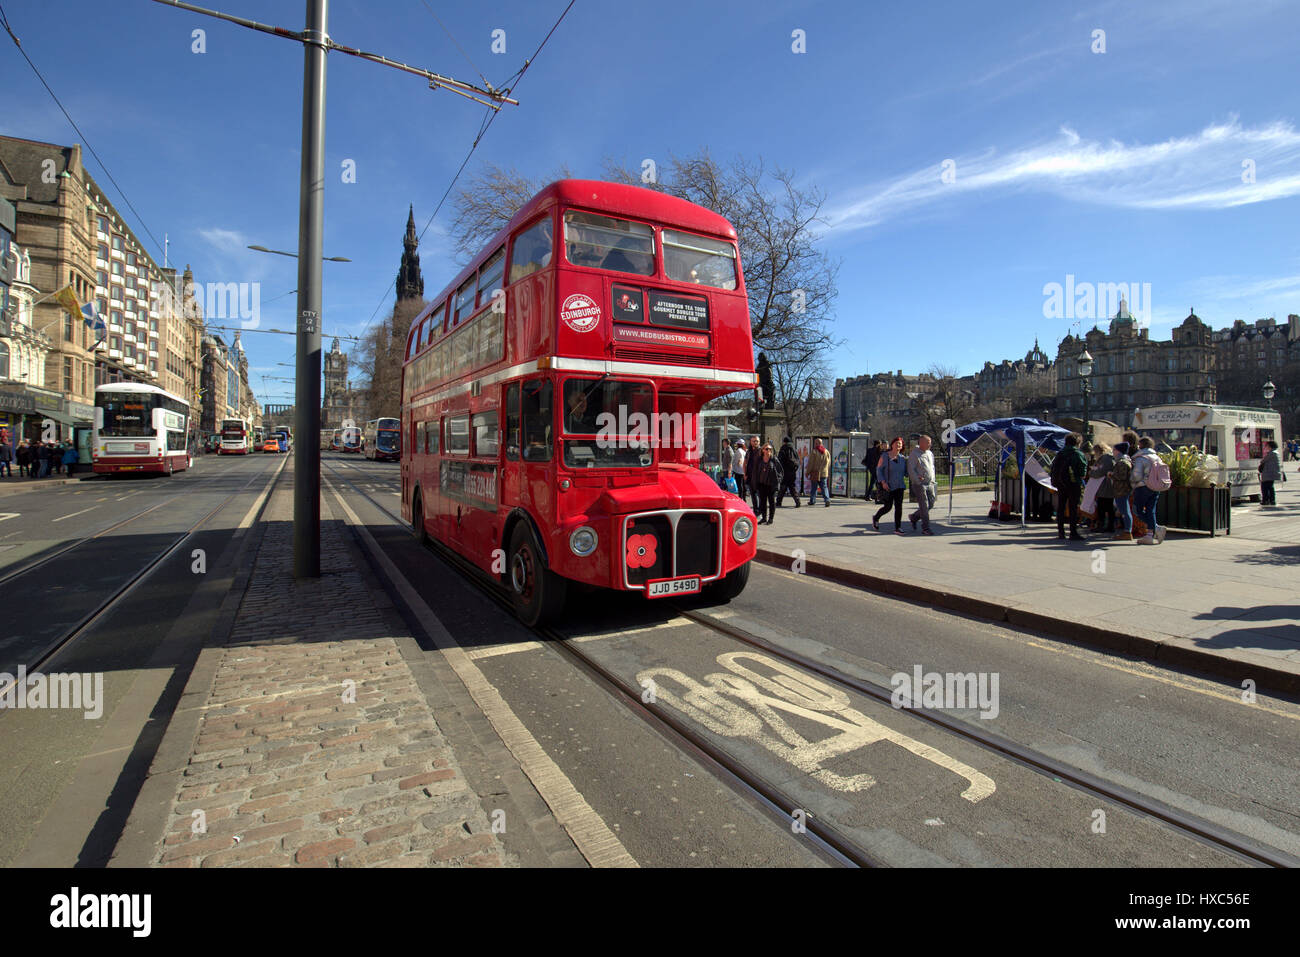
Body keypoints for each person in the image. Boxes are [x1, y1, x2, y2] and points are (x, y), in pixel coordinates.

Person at [1052, 433, 1088, 541]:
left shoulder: (1060, 453)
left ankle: (1061, 532)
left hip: (1061, 483)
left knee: (1061, 507)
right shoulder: (1078, 454)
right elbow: (1082, 473)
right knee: (1073, 508)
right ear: (1078, 442)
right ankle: (1073, 532)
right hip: (1073, 484)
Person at [1130, 436, 1165, 544]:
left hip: (1143, 486)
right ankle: (1150, 534)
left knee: (1137, 509)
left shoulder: (1141, 458)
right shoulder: (1157, 457)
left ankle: (1155, 529)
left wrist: (1131, 484)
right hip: (1156, 486)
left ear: (1140, 445)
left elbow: (1136, 476)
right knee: (1151, 510)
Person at [872, 436, 908, 534]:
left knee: (899, 507)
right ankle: (876, 517)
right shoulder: (885, 456)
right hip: (888, 486)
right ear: (892, 444)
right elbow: (879, 470)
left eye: (900, 444)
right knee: (888, 507)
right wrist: (883, 482)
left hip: (900, 486)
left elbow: (906, 472)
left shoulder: (902, 458)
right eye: (896, 443)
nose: (898, 445)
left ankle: (898, 527)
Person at [907, 434, 937, 535]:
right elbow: (911, 470)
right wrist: (918, 481)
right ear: (921, 443)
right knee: (924, 506)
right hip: (920, 484)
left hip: (930, 483)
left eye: (930, 442)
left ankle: (914, 517)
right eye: (928, 442)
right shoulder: (914, 454)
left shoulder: (929, 453)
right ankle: (926, 528)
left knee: (931, 504)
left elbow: (932, 467)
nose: (930, 444)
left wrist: (933, 479)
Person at [752, 443, 783, 525]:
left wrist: (778, 481)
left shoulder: (774, 459)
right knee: (762, 502)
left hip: (771, 484)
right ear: (762, 450)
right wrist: (755, 482)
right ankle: (764, 518)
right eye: (766, 449)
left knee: (771, 502)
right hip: (761, 484)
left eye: (769, 449)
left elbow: (780, 471)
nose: (768, 451)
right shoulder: (759, 460)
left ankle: (771, 518)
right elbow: (755, 472)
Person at [1088, 442, 1116, 535]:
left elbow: (1101, 471)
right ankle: (1109, 526)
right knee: (1108, 507)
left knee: (1103, 507)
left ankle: (1103, 526)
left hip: (1105, 486)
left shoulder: (1105, 459)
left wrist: (1091, 473)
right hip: (1106, 486)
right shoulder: (1108, 458)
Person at [1109, 441, 1135, 541]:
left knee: (1125, 511)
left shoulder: (1122, 462)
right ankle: (1127, 531)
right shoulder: (1124, 460)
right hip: (1122, 489)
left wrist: (1111, 474)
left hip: (1121, 489)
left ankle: (1127, 532)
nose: (1113, 452)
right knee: (1124, 511)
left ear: (1118, 451)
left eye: (1114, 450)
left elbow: (1122, 476)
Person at [776, 436, 800, 507]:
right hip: (792, 471)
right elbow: (797, 460)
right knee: (792, 486)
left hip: (785, 471)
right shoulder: (794, 449)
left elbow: (780, 460)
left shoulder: (783, 448)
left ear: (784, 442)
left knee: (783, 487)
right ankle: (797, 501)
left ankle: (778, 502)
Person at [1259, 440, 1284, 507]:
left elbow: (1263, 461)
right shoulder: (1276, 452)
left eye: (1267, 445)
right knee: (1270, 487)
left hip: (1269, 473)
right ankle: (1271, 500)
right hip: (1272, 473)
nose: (1266, 447)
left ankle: (1266, 500)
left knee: (1265, 487)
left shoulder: (1272, 453)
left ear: (1270, 446)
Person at [806, 439, 831, 506]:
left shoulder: (814, 452)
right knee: (824, 487)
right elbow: (829, 463)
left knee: (814, 487)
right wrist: (826, 470)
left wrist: (807, 472)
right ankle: (827, 500)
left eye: (815, 443)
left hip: (815, 472)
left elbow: (811, 463)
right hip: (824, 473)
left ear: (816, 443)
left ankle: (812, 500)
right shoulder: (826, 451)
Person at [745, 436, 762, 511]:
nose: (755, 442)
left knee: (760, 494)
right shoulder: (749, 451)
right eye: (754, 441)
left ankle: (761, 510)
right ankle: (755, 509)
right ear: (751, 442)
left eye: (757, 441)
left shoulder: (761, 451)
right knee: (753, 493)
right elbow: (745, 463)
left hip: (759, 476)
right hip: (750, 475)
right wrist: (745, 473)